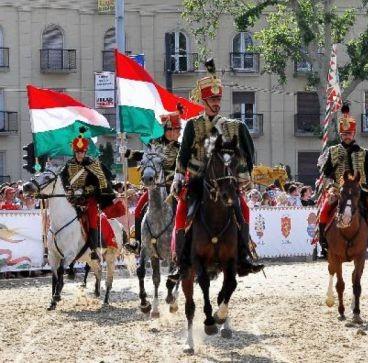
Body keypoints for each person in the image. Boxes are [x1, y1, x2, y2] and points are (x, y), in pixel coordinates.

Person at [170, 59, 263, 281]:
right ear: (204, 100)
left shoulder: (234, 126)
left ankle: (243, 257)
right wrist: (177, 177)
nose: (216, 102)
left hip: (226, 181)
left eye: (219, 98)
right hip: (197, 181)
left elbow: (247, 152)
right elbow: (183, 155)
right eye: (212, 99)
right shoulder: (192, 125)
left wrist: (245, 174)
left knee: (244, 210)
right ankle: (180, 262)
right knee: (182, 213)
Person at [318, 103, 368, 260]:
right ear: (340, 134)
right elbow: (325, 172)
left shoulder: (365, 154)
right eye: (344, 133)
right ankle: (323, 244)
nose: (347, 136)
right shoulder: (332, 152)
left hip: (362, 191)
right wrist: (336, 163)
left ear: (354, 134)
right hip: (339, 190)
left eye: (349, 133)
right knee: (324, 210)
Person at [124, 108, 183, 253]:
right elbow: (143, 156)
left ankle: (183, 243)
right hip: (156, 187)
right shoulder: (156, 145)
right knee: (138, 210)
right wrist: (127, 152)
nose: (173, 132)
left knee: (184, 211)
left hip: (175, 188)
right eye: (169, 129)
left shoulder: (181, 148)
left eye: (176, 130)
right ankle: (138, 243)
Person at [60, 130, 124, 260]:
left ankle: (94, 248)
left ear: (85, 152)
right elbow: (63, 178)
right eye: (77, 152)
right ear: (74, 152)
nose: (79, 154)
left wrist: (89, 189)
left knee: (92, 219)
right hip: (72, 199)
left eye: (82, 152)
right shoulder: (69, 164)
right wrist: (67, 188)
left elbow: (101, 179)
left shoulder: (92, 163)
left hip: (89, 199)